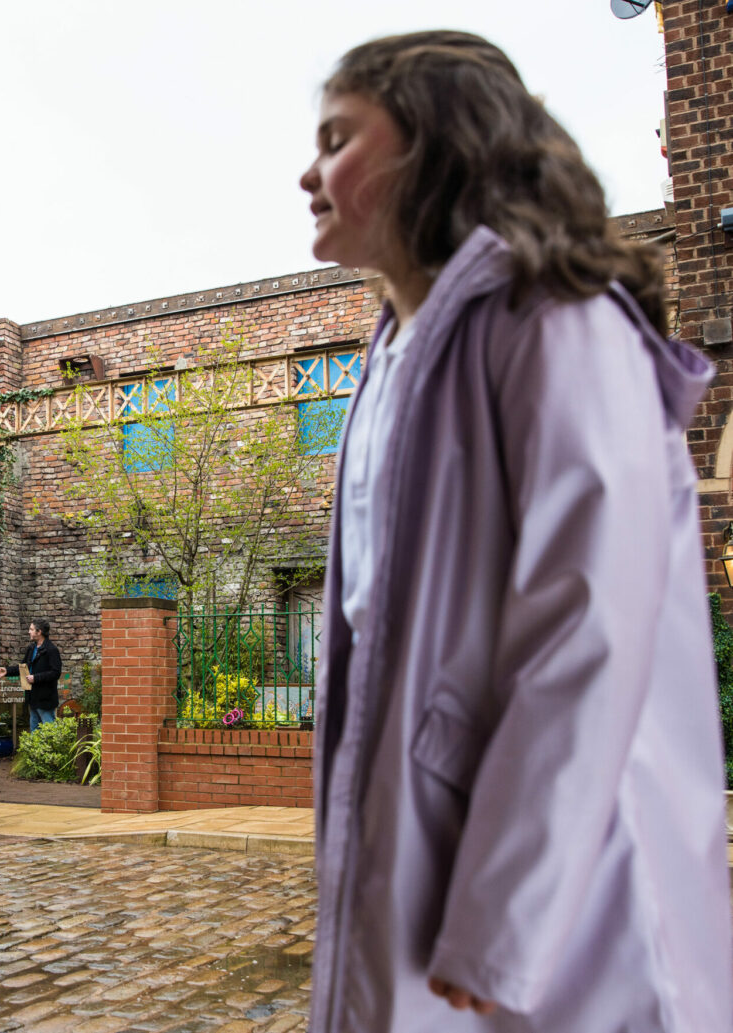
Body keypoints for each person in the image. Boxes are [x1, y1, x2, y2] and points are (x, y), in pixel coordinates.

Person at [301, 30, 733, 1032]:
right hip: (423, 855)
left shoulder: (560, 325)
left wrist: (505, 912)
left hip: (575, 906)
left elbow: (588, 627)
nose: (307, 172)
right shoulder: (390, 358)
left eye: (338, 139)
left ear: (434, 146)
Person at [0, 619, 61, 731]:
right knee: (34, 735)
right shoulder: (31, 648)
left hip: (45, 699)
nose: (29, 632)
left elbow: (55, 673)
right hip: (32, 698)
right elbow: (24, 668)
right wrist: (7, 671)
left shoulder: (52, 650)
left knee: (50, 732)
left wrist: (36, 678)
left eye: (31, 629)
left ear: (39, 632)